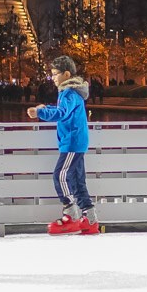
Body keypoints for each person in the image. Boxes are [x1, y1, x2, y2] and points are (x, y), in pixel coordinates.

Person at [32, 55, 97, 235]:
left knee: (59, 175)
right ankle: (90, 218)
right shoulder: (72, 93)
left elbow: (61, 113)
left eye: (55, 74)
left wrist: (40, 113)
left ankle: (71, 213)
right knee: (77, 180)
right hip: (77, 141)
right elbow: (62, 111)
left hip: (72, 142)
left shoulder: (69, 93)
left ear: (66, 74)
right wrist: (43, 109)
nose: (52, 78)